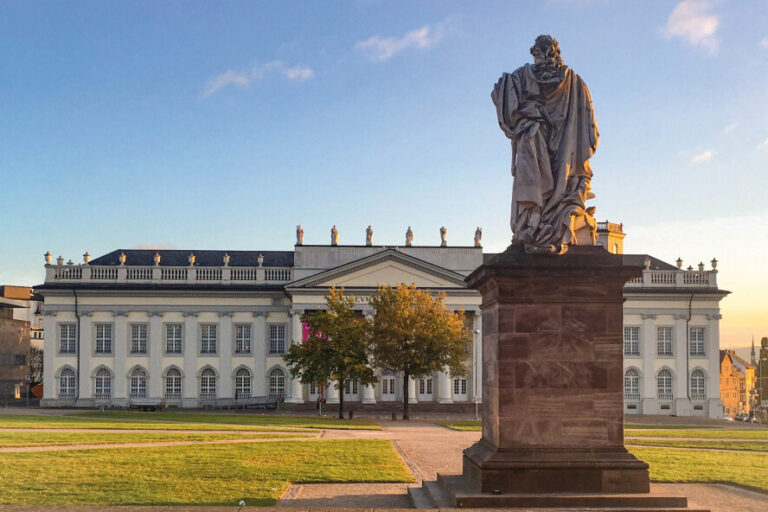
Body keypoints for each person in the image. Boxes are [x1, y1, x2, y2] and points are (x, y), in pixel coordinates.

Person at [492, 35, 599, 254]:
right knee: (550, 177)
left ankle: (535, 222)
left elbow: (504, 96)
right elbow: (590, 128)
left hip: (546, 142)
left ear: (545, 53)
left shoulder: (525, 78)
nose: (537, 59)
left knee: (537, 176)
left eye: (538, 54)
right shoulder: (574, 82)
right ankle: (539, 222)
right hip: (557, 145)